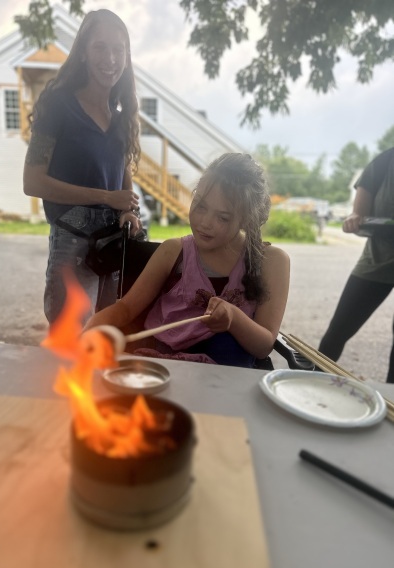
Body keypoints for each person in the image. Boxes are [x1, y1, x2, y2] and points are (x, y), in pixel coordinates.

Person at [85, 153, 290, 367]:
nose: (205, 222)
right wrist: (92, 327)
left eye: (223, 217)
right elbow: (126, 309)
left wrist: (234, 318)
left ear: (246, 219)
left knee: (227, 342)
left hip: (224, 377)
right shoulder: (174, 252)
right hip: (165, 365)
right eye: (200, 206)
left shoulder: (271, 261)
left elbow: (263, 346)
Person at [23, 9, 142, 325]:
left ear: (127, 57)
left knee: (107, 340)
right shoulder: (57, 105)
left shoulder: (120, 119)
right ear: (83, 53)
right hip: (72, 243)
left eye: (118, 49)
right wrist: (105, 197)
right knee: (71, 345)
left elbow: (123, 180)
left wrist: (128, 211)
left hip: (113, 246)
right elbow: (32, 182)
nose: (110, 58)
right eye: (100, 47)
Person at [319, 147, 394, 383]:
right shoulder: (384, 162)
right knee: (338, 331)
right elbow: (358, 217)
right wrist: (354, 219)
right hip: (377, 259)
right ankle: (309, 384)